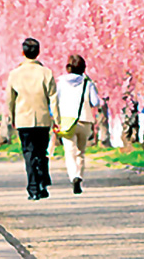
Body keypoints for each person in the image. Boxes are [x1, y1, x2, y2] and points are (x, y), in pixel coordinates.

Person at [5, 37, 58, 200]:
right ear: (38, 53)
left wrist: (11, 117)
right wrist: (56, 119)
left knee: (29, 153)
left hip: (23, 119)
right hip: (42, 119)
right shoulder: (46, 73)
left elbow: (10, 99)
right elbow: (53, 98)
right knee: (41, 152)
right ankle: (42, 184)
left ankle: (33, 188)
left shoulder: (14, 74)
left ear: (23, 53)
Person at [55, 54, 101, 194]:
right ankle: (79, 176)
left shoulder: (61, 83)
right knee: (81, 152)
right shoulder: (88, 83)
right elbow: (96, 102)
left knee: (70, 151)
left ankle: (73, 176)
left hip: (67, 120)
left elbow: (55, 100)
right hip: (84, 120)